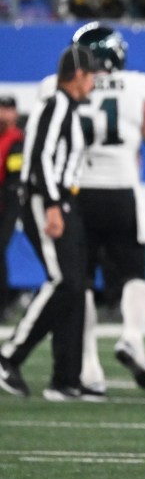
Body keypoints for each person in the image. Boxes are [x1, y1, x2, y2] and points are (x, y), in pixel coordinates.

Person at [39, 23, 145, 396]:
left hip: (75, 194)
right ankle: (132, 336)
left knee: (81, 281)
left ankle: (89, 368)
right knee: (135, 273)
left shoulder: (56, 88)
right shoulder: (136, 86)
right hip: (121, 194)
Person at [0, 45, 98, 401]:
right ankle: (9, 356)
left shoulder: (67, 107)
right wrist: (53, 204)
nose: (94, 82)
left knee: (75, 287)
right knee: (63, 281)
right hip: (46, 199)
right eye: (91, 75)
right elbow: (41, 155)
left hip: (61, 198)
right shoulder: (56, 104)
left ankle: (65, 377)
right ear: (79, 75)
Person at [0, 95, 24, 319]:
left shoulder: (17, 140)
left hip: (8, 202)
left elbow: (14, 179)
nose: (3, 113)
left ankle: (2, 305)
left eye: (8, 109)